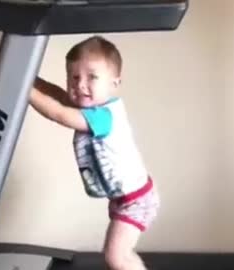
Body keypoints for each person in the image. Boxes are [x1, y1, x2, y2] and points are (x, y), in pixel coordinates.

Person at [29, 35, 160, 270]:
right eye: (74, 77)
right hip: (125, 198)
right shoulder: (91, 108)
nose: (80, 84)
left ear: (114, 83)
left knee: (116, 257)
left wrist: (23, 90)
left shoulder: (104, 116)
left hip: (136, 200)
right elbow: (58, 95)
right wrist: (30, 77)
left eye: (92, 77)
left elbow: (59, 114)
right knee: (121, 256)